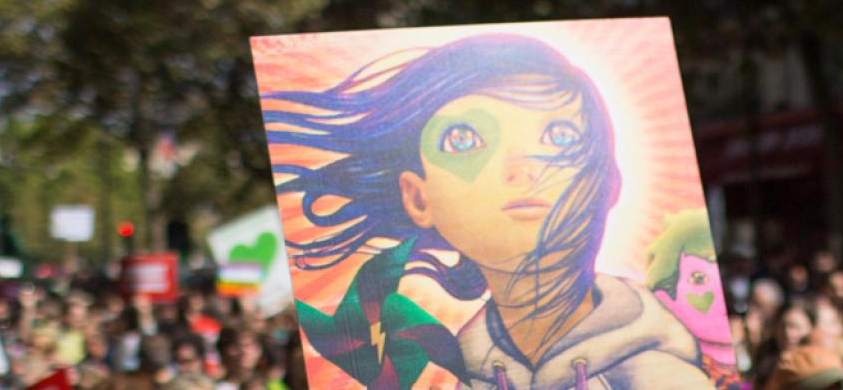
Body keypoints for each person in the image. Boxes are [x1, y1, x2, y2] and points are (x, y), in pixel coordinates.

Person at [267, 34, 711, 388]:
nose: (522, 167)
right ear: (418, 197)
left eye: (559, 138)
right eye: (464, 140)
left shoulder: (659, 375)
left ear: (606, 182)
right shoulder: (461, 369)